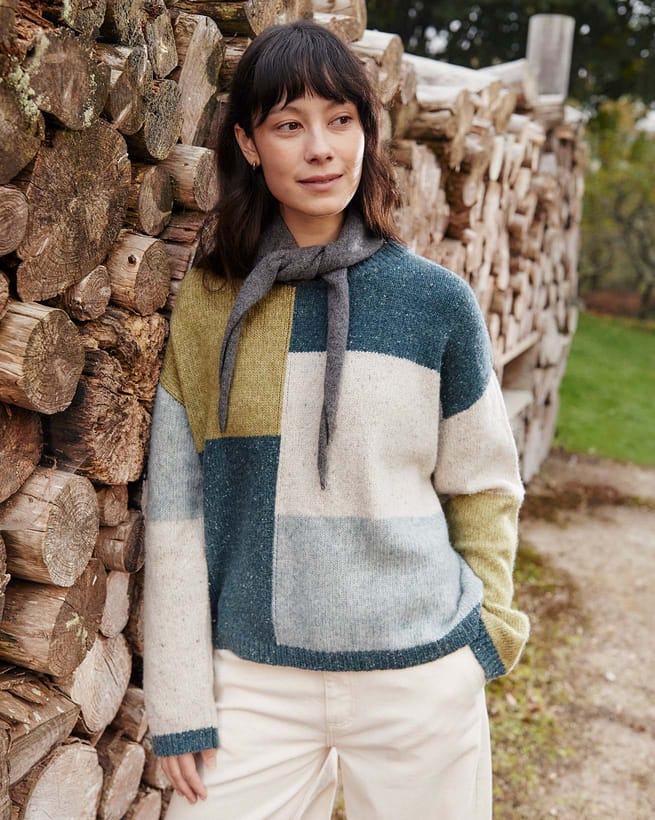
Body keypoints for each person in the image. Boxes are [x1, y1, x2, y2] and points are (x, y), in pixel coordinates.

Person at [142, 18, 529, 820]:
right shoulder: (212, 306)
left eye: (340, 119)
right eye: (289, 125)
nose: (320, 149)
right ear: (248, 145)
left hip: (419, 673)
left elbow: (484, 482)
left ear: (366, 130)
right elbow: (177, 511)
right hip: (255, 681)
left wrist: (484, 637)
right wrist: (180, 700)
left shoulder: (435, 302)